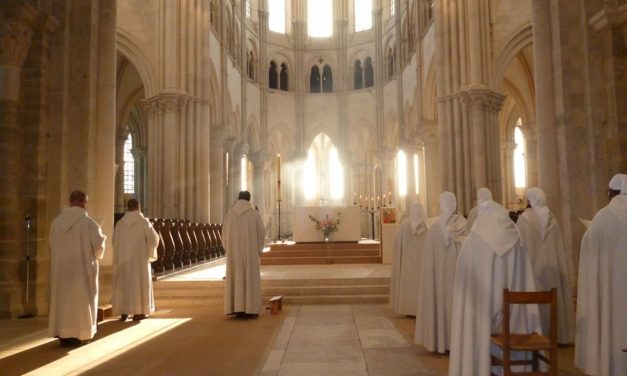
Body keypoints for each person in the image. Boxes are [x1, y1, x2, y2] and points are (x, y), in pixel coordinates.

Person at [448, 199, 540, 375]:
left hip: (481, 310)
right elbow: (524, 277)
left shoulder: (475, 239)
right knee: (509, 315)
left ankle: (477, 365)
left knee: (477, 319)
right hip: (514, 315)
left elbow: (464, 273)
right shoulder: (516, 237)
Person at [575, 173, 627, 376]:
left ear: (611, 192)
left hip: (609, 292)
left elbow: (589, 255)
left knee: (611, 327)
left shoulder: (603, 218)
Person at [516, 187, 575, 344]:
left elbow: (519, 246)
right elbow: (558, 249)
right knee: (552, 298)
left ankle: (536, 332)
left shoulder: (524, 219)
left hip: (533, 270)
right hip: (552, 270)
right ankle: (557, 335)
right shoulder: (553, 220)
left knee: (534, 298)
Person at [48, 190, 106, 346]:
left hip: (61, 271)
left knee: (64, 301)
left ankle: (64, 335)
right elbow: (99, 248)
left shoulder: (56, 223)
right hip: (82, 270)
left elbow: (52, 245)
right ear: (82, 202)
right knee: (82, 301)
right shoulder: (89, 223)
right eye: (86, 203)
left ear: (69, 201)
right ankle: (81, 334)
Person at [415, 191, 466, 353]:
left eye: (443, 201)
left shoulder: (451, 225)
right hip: (447, 275)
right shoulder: (439, 227)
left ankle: (451, 342)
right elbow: (429, 258)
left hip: (452, 276)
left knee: (452, 304)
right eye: (441, 202)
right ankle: (449, 342)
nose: (441, 204)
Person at [111, 199, 160, 321]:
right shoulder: (143, 222)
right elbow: (154, 240)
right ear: (139, 208)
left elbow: (114, 242)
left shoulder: (120, 224)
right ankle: (139, 312)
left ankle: (124, 310)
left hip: (123, 262)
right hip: (139, 262)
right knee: (139, 283)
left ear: (127, 208)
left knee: (124, 283)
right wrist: (149, 254)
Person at [223, 191, 266, 318]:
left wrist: (229, 249)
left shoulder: (229, 214)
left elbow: (224, 235)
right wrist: (259, 249)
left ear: (238, 198)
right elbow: (262, 234)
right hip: (250, 254)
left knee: (236, 278)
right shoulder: (254, 214)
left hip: (234, 254)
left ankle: (236, 308)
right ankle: (250, 308)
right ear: (249, 199)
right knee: (249, 278)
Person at [390, 201, 428, 316]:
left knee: (409, 285)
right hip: (422, 263)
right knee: (421, 285)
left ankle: (409, 309)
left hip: (408, 264)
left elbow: (397, 242)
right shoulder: (427, 227)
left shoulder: (405, 226)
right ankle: (420, 309)